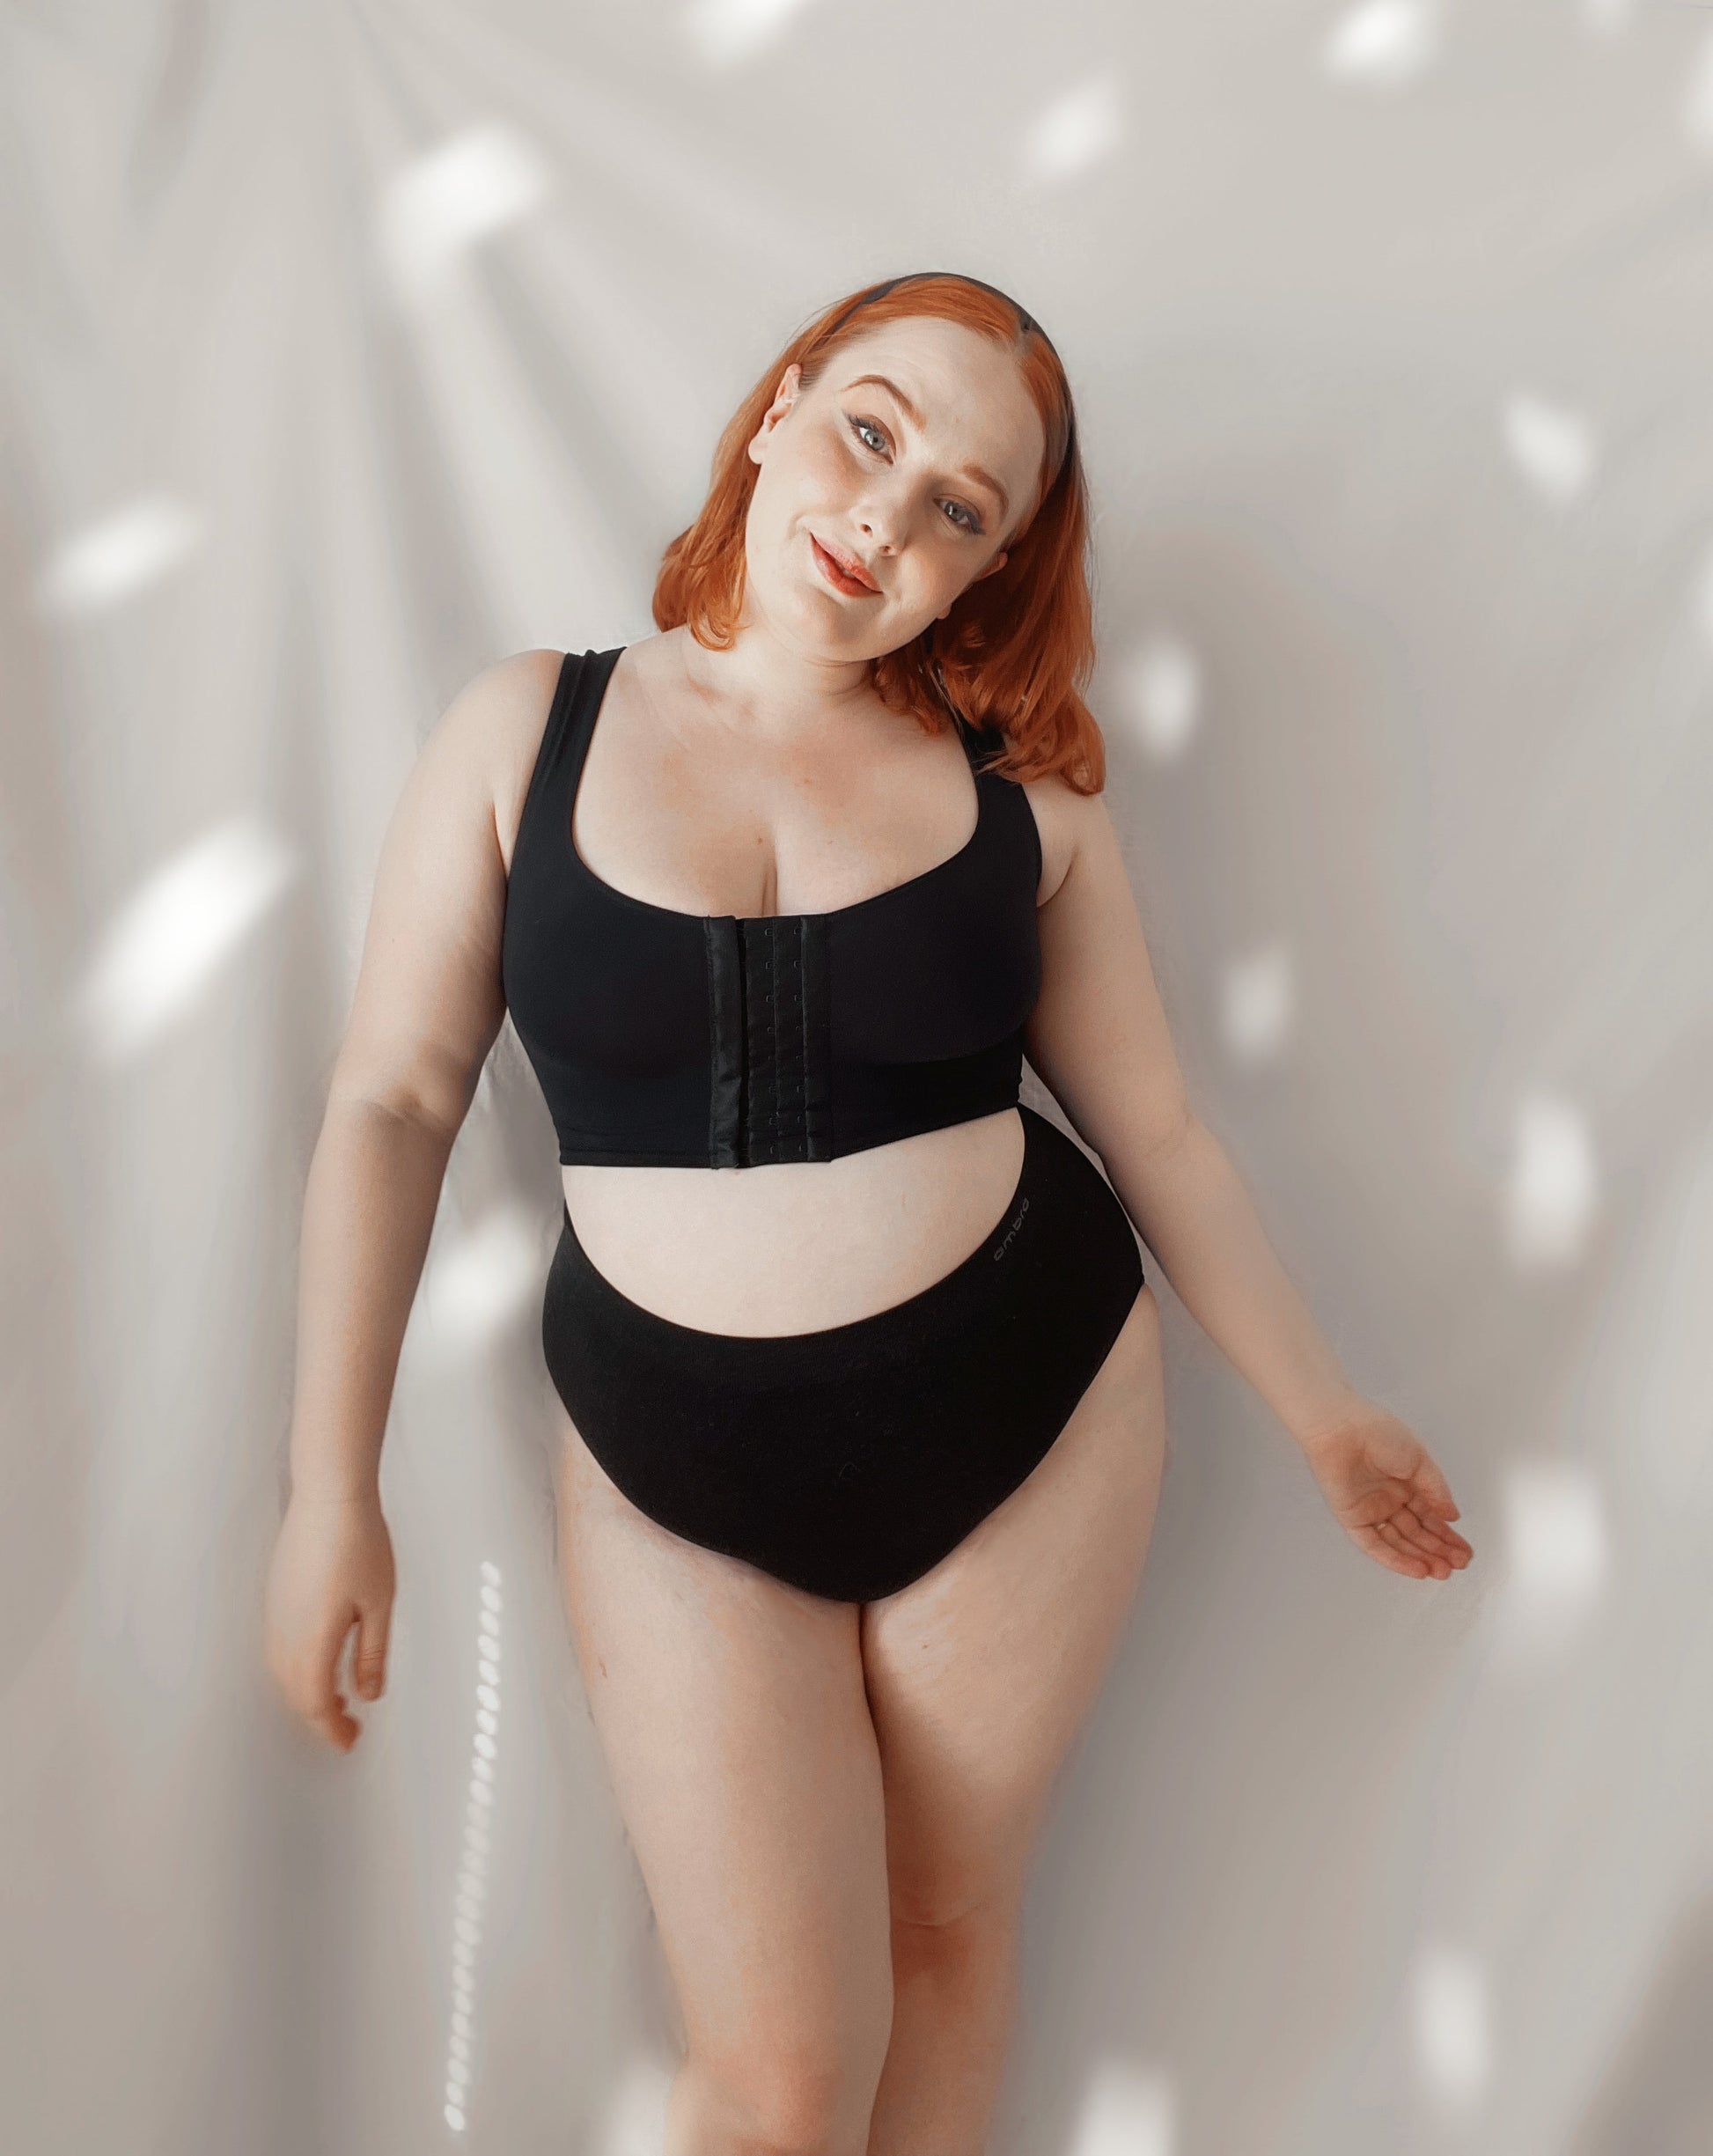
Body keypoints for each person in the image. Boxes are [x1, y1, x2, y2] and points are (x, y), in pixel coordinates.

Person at [265, 270, 1474, 2154]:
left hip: (1025, 1415)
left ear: (985, 571)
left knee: (942, 1931)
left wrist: (1326, 1416)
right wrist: (327, 1489)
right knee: (772, 2082)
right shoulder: (524, 729)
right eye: (870, 433)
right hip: (670, 1457)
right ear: (780, 408)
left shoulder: (1028, 805)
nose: (885, 516)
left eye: (957, 508)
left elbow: (1157, 1132)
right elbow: (391, 1098)